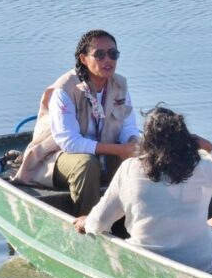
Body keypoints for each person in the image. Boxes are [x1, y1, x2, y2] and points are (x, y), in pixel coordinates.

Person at [73, 107, 212, 273]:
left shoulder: (129, 168)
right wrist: (208, 146)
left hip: (144, 263)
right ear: (185, 139)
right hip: (199, 264)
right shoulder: (200, 168)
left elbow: (100, 221)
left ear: (146, 141)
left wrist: (85, 222)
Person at [13, 30, 139, 215]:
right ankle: (86, 223)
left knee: (137, 160)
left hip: (102, 153)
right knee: (87, 164)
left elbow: (128, 127)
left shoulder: (120, 85)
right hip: (57, 156)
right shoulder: (65, 89)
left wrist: (133, 144)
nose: (108, 60)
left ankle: (132, 224)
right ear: (83, 59)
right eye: (99, 54)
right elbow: (69, 142)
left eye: (113, 54)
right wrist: (118, 150)